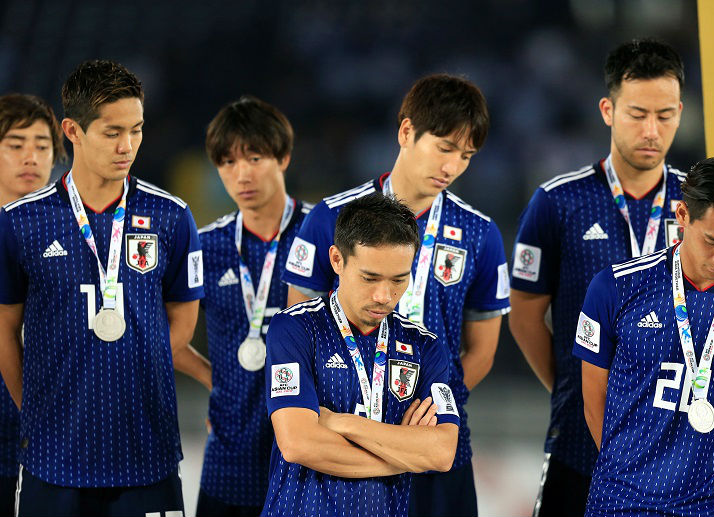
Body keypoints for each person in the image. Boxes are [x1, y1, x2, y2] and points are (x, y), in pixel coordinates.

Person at [281, 74, 509, 517]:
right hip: (343, 442)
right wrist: (359, 420)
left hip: (433, 442)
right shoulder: (330, 217)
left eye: (466, 156)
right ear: (406, 132)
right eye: (444, 148)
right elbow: (300, 326)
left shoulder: (482, 235)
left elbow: (483, 349)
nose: (452, 167)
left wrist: (427, 406)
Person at [0, 59, 209, 517]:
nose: (127, 145)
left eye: (136, 130)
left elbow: (184, 321)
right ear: (71, 130)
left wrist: (132, 372)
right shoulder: (20, 223)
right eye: (112, 132)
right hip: (52, 459)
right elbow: (4, 330)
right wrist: (33, 411)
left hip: (146, 453)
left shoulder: (172, 216)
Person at [509, 38, 686, 516]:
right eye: (637, 113)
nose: (652, 130)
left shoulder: (702, 209)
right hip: (580, 444)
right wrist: (576, 384)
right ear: (608, 109)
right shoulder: (557, 203)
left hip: (684, 447)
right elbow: (524, 317)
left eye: (665, 115)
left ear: (680, 112)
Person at [573, 155, 714, 516]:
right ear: (683, 215)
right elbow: (594, 398)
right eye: (712, 241)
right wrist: (627, 474)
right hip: (620, 503)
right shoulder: (615, 287)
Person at [264, 193, 459, 517]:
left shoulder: (426, 347)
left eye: (399, 280)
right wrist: (404, 455)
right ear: (337, 260)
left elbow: (441, 453)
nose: (384, 295)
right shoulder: (294, 328)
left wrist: (340, 423)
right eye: (369, 278)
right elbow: (298, 444)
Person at [196, 95, 311, 517]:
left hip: (307, 454)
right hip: (230, 457)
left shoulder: (323, 234)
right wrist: (216, 380)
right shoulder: (205, 246)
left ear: (283, 157)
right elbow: (165, 334)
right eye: (227, 162)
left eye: (255, 157)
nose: (241, 174)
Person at [0, 93, 66, 517]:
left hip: (49, 428)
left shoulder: (75, 233)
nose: (31, 156)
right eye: (15, 144)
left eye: (42, 145)